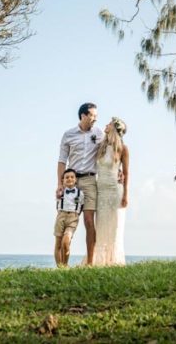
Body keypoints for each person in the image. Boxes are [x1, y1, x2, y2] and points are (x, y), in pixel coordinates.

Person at [57, 102, 103, 265]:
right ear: (83, 116)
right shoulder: (68, 134)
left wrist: (119, 170)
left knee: (89, 221)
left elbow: (109, 152)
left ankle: (90, 262)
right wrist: (60, 184)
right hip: (72, 182)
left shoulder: (99, 134)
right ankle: (62, 264)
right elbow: (62, 161)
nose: (95, 119)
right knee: (66, 221)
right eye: (92, 115)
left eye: (96, 116)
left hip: (90, 181)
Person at [91, 117, 129, 266]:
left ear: (114, 128)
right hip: (101, 191)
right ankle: (99, 261)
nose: (105, 125)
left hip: (115, 191)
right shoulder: (101, 146)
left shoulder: (123, 149)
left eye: (109, 124)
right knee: (100, 227)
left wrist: (126, 194)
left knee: (115, 227)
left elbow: (126, 173)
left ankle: (114, 261)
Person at [53, 168, 84, 267]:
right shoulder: (60, 192)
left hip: (73, 217)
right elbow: (57, 204)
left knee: (66, 242)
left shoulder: (80, 193)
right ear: (63, 180)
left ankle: (65, 265)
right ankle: (60, 267)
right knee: (58, 243)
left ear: (75, 180)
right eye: (67, 177)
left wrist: (76, 214)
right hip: (61, 217)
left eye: (72, 177)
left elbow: (81, 205)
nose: (69, 179)